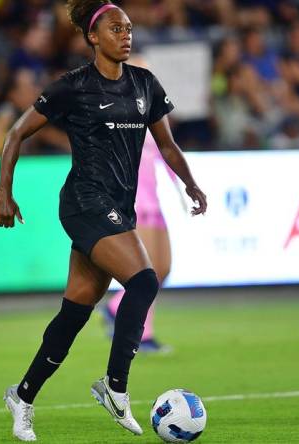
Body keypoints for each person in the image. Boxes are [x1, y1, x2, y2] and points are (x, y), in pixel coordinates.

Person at [0, 1, 207, 441]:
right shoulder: (73, 87)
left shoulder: (145, 84)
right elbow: (16, 133)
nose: (125, 35)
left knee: (75, 310)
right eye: (115, 28)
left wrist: (190, 184)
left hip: (118, 206)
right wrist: (4, 193)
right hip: (84, 202)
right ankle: (115, 386)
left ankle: (23, 396)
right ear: (93, 37)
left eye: (128, 28)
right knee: (145, 281)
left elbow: (166, 146)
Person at [100, 55, 181, 354]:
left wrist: (184, 186)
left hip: (154, 201)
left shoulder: (153, 113)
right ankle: (136, 328)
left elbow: (167, 151)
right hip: (132, 202)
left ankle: (125, 314)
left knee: (163, 268)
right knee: (146, 272)